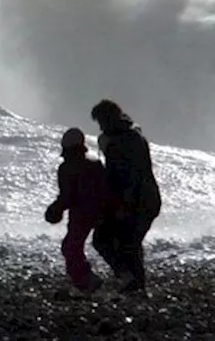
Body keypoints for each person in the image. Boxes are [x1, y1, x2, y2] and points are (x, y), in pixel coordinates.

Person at [90, 100, 160, 294]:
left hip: (139, 200)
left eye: (103, 121)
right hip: (142, 199)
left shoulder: (125, 141)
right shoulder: (127, 136)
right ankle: (134, 283)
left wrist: (122, 204)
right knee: (125, 242)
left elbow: (129, 176)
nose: (102, 126)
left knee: (115, 240)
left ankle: (133, 282)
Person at [45, 128, 111, 294]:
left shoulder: (67, 168)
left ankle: (85, 281)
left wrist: (56, 209)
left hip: (81, 215)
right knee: (74, 246)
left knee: (70, 247)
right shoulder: (94, 165)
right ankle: (87, 281)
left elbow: (67, 195)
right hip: (97, 213)